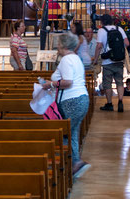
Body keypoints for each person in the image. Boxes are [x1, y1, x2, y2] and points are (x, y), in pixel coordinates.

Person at [43, 32, 90, 178]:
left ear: (62, 45)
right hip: (81, 99)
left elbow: (68, 82)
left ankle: (72, 163)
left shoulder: (66, 60)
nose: (57, 46)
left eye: (58, 43)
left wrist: (50, 84)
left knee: (64, 133)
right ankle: (75, 163)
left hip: (72, 101)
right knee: (71, 132)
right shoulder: (75, 58)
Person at [95, 13, 129, 112]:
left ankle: (109, 104)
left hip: (107, 62)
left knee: (107, 84)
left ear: (102, 21)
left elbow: (98, 46)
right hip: (119, 60)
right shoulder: (119, 29)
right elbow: (127, 43)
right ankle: (120, 102)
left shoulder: (101, 31)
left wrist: (96, 59)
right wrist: (118, 50)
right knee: (119, 82)